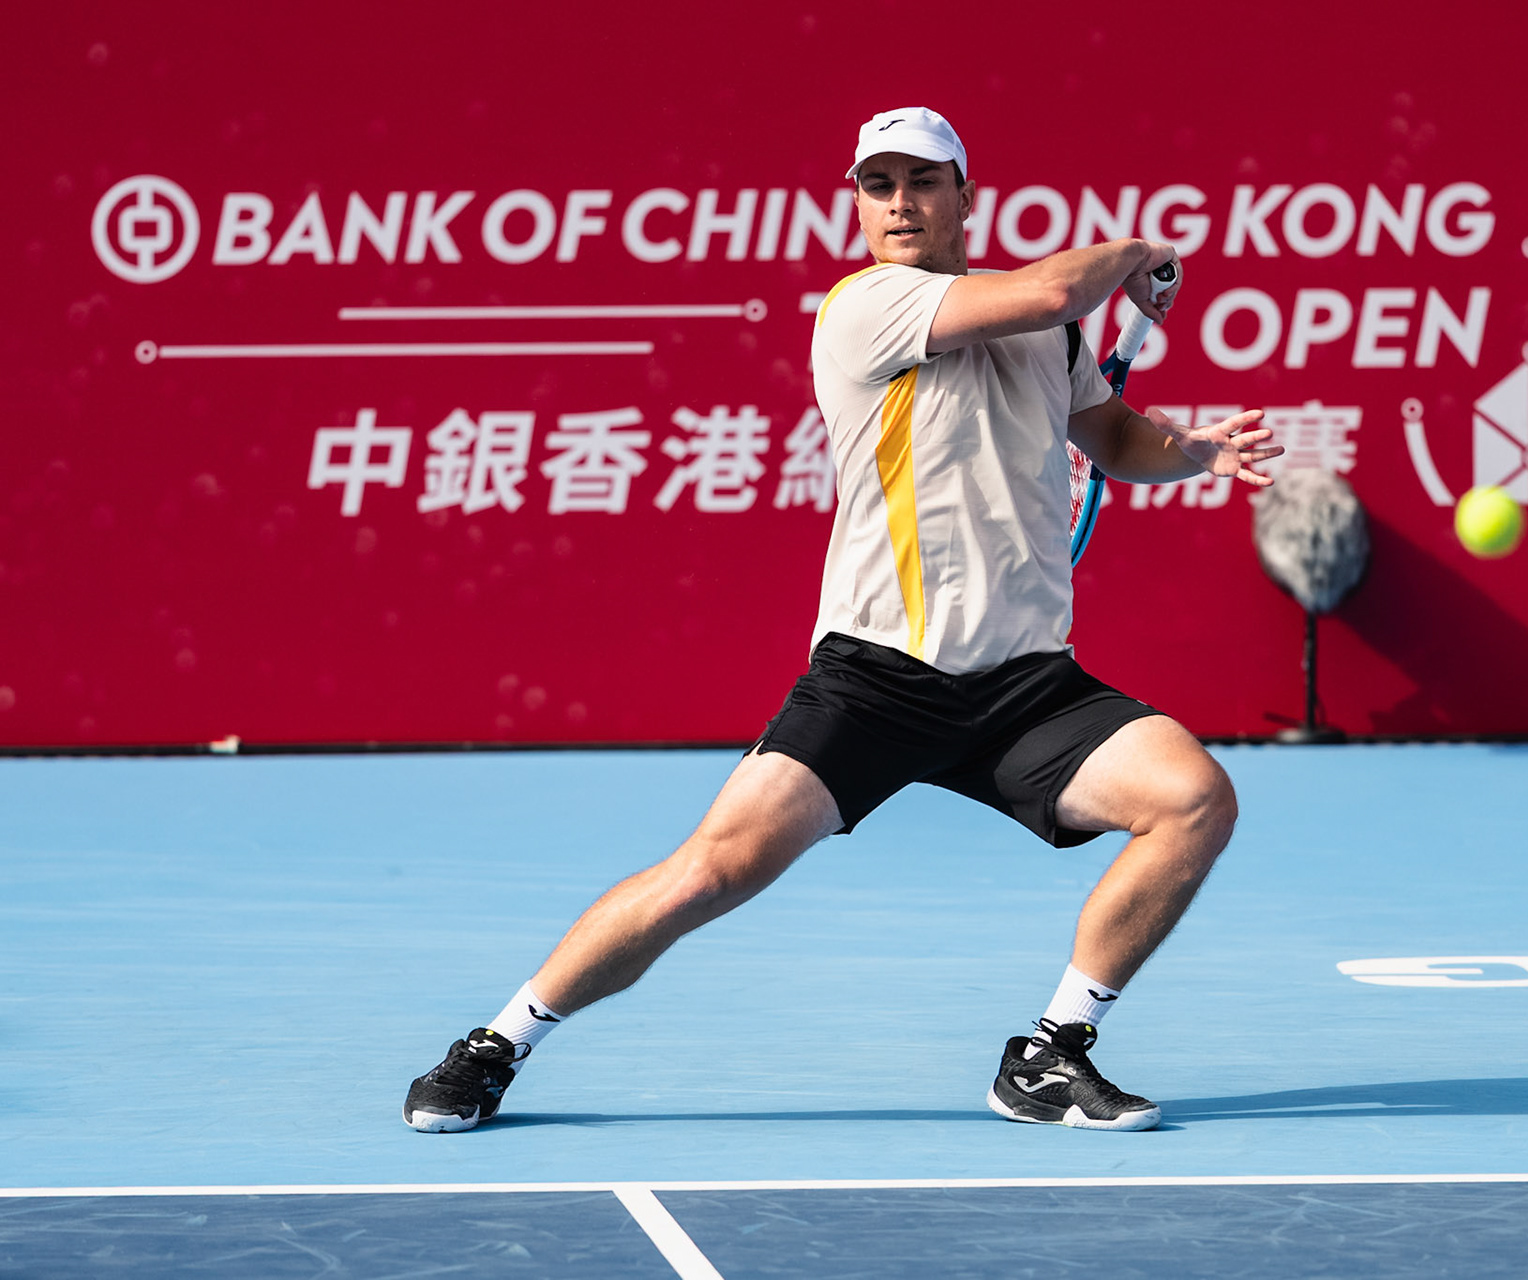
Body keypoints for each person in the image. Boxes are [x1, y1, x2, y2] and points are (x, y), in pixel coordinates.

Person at [403, 106, 1280, 1134]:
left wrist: (1196, 451)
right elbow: (1052, 282)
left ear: (965, 196)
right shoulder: (868, 305)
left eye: (922, 182)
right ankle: (497, 1041)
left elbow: (1116, 435)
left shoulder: (1053, 328)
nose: (900, 204)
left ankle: (1052, 1050)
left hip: (1025, 681)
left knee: (1193, 796)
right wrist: (1136, 251)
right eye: (878, 185)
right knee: (712, 869)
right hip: (880, 673)